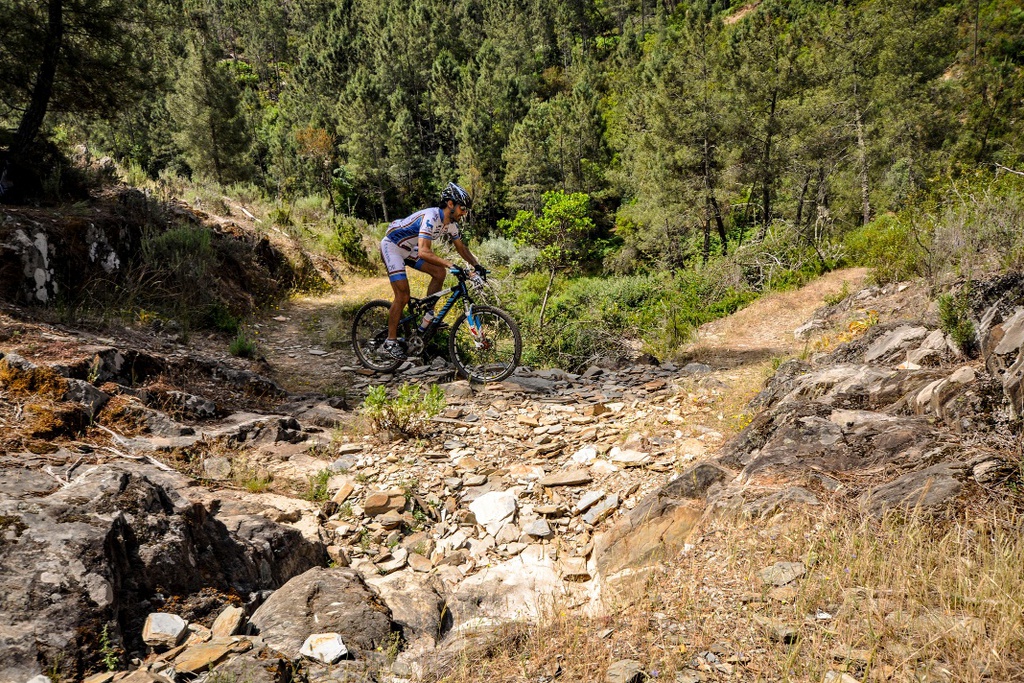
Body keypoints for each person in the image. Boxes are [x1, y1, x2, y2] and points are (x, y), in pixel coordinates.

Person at [379, 181, 488, 359]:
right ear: (450, 204)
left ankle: (427, 314)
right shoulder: (431, 217)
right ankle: (389, 343)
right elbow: (423, 252)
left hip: (407, 249)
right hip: (392, 246)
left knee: (439, 273)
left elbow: (461, 248)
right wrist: (451, 264)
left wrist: (477, 265)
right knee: (403, 295)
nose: (464, 213)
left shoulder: (451, 224)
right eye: (462, 208)